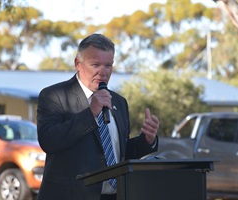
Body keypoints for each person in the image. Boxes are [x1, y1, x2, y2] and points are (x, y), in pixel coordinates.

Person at [37, 33, 159, 200]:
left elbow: (119, 154)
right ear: (77, 64)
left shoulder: (118, 102)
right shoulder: (54, 95)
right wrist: (91, 113)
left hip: (114, 195)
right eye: (95, 65)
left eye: (108, 65)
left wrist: (146, 140)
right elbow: (49, 141)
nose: (103, 72)